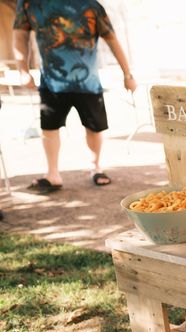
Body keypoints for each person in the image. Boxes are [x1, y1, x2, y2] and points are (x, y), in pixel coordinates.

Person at [12, 0, 137, 192]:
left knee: (94, 127)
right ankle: (52, 174)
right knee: (49, 128)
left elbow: (111, 38)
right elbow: (20, 36)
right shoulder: (30, 3)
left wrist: (127, 74)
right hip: (51, 82)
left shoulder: (91, 5)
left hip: (88, 82)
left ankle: (96, 167)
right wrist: (23, 70)